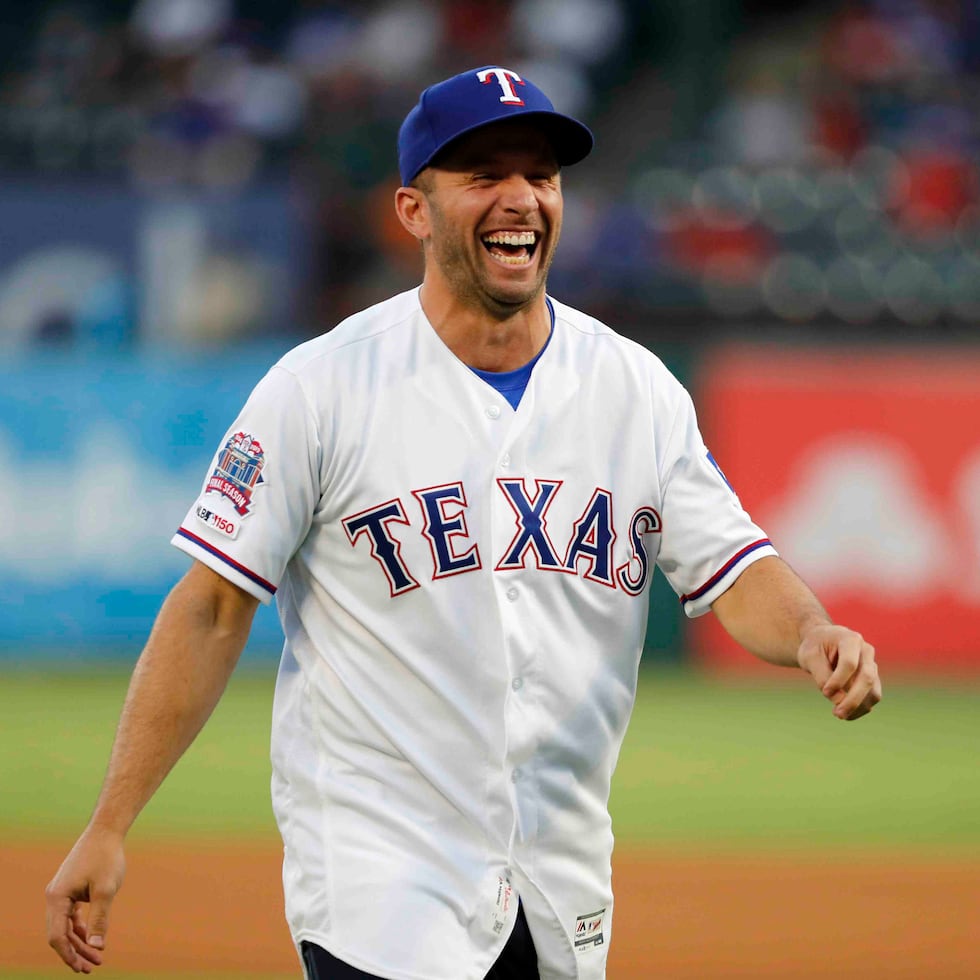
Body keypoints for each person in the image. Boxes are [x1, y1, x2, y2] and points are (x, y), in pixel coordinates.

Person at [45, 66, 882, 980]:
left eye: (541, 174)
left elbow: (734, 566)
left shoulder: (634, 388)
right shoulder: (320, 387)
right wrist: (110, 822)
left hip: (560, 886)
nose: (520, 197)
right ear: (413, 209)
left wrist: (811, 633)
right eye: (483, 173)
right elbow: (211, 609)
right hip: (376, 883)